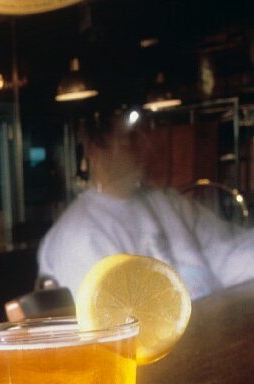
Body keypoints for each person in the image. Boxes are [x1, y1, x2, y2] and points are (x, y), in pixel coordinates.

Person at [38, 107, 254, 298]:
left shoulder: (166, 203)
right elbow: (114, 324)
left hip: (215, 328)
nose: (144, 147)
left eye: (142, 136)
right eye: (128, 139)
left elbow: (226, 251)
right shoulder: (80, 235)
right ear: (96, 150)